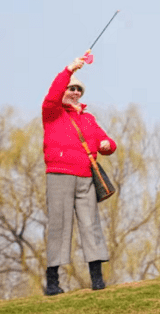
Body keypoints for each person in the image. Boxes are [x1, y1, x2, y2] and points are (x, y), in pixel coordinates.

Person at [42, 50, 117, 295]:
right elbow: (53, 93)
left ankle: (97, 279)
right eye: (71, 88)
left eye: (79, 90)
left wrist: (107, 145)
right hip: (60, 174)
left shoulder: (88, 118)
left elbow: (105, 141)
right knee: (59, 226)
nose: (75, 93)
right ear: (64, 90)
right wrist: (69, 70)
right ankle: (53, 281)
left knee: (91, 224)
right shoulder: (52, 112)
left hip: (85, 177)